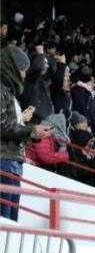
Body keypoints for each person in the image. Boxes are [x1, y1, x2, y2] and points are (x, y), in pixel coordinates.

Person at [1, 46, 52, 220]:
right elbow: (2, 126)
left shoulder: (10, 94)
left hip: (13, 162)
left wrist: (33, 135)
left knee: (11, 219)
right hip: (4, 161)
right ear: (11, 66)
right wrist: (30, 130)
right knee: (5, 218)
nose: (24, 75)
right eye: (22, 70)